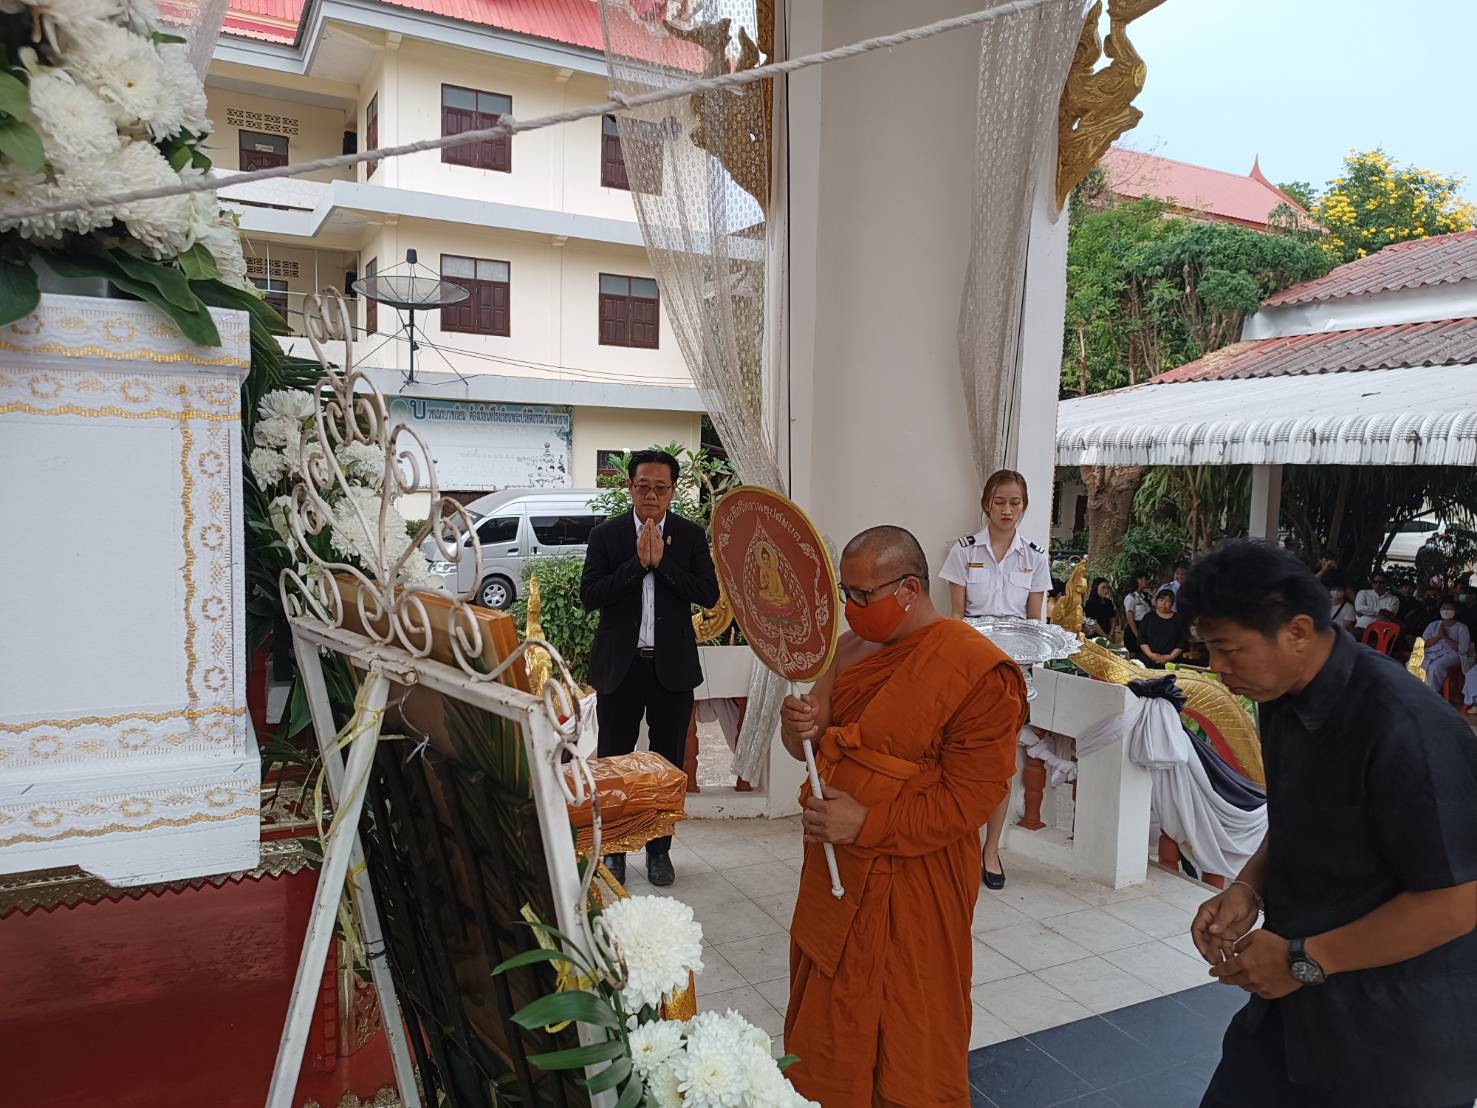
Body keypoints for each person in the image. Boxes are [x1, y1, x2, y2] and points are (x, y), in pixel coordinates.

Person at [1181, 541, 1477, 1108]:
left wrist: (1303, 957)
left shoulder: (1405, 730)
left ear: (1296, 631)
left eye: (1227, 649)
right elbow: (1304, 811)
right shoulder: (1281, 695)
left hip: (1393, 1035)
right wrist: (1249, 885)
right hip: (1294, 1008)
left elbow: (1457, 902)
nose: (1216, 669)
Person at [780, 526, 1025, 1107]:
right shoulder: (848, 650)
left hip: (916, 879)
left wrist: (866, 822)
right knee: (829, 1027)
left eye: (861, 595)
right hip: (835, 871)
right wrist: (802, 730)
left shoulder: (978, 670)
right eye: (846, 593)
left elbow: (970, 800)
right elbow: (809, 750)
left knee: (909, 1023)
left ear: (910, 589)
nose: (850, 608)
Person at [579, 449, 719, 887]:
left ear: (673, 491)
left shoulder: (691, 536)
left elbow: (708, 593)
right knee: (615, 763)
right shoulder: (606, 535)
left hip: (671, 669)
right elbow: (591, 595)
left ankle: (660, 851)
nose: (652, 495)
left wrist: (664, 565)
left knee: (668, 762)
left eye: (661, 488)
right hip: (621, 668)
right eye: (644, 487)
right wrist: (638, 565)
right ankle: (617, 853)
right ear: (630, 487)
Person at [939, 468, 1051, 621]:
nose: (1007, 510)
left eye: (1015, 503)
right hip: (974, 637)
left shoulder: (1035, 557)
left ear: (1023, 506)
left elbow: (1034, 619)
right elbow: (957, 614)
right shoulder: (963, 551)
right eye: (999, 502)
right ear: (986, 505)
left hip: (1017, 639)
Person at [1421, 603, 1471, 693]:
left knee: (1434, 667)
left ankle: (1431, 693)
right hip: (1432, 651)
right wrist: (1438, 636)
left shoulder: (1462, 628)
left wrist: (1445, 637)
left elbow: (1463, 649)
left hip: (1453, 655)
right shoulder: (1434, 625)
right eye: (1443, 608)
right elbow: (1425, 644)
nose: (1446, 611)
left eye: (1449, 608)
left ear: (1454, 611)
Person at [1136, 586, 1184, 668]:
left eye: (1167, 601)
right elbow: (1142, 639)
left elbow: (1182, 642)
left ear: (1172, 603)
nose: (1163, 603)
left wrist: (1169, 657)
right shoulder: (1148, 617)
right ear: (1156, 601)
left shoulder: (1179, 619)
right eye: (1161, 600)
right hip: (1148, 660)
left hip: (1171, 663)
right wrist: (1150, 654)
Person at [1121, 570, 1153, 658]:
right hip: (1135, 628)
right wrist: (1137, 635)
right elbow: (1130, 618)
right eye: (1145, 579)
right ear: (1139, 580)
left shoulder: (1144, 597)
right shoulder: (1131, 597)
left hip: (1145, 627)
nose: (1147, 582)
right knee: (1136, 655)